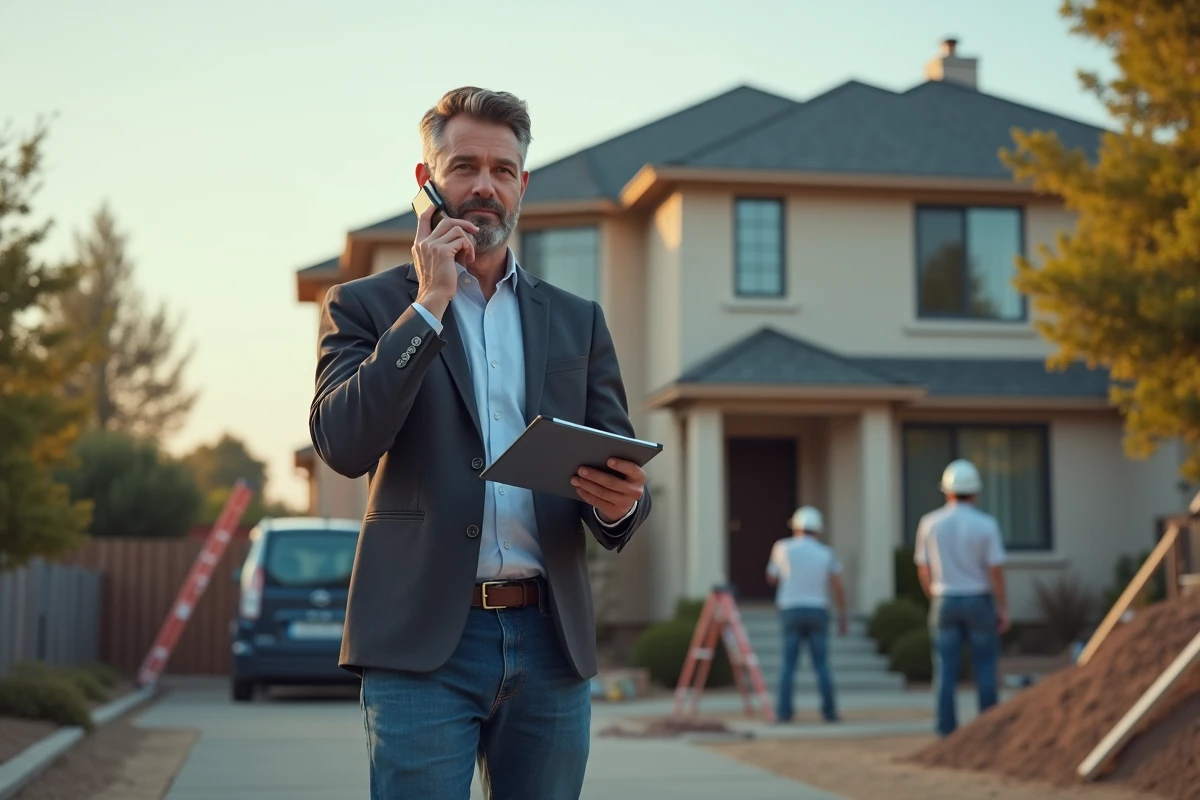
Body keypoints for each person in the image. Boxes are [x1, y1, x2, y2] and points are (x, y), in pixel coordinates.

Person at [309, 86, 653, 799]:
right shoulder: (365, 306)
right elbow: (343, 442)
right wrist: (429, 304)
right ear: (425, 180)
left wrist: (620, 505)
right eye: (464, 166)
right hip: (420, 645)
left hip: (551, 645)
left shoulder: (576, 320)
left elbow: (614, 467)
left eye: (502, 170)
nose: (484, 187)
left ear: (523, 183)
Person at [913, 458, 1009, 737]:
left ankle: (946, 731)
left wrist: (934, 596)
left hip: (945, 599)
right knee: (985, 668)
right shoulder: (986, 524)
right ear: (976, 492)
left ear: (946, 491)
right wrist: (1002, 607)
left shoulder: (930, 523)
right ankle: (988, 730)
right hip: (979, 600)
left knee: (945, 669)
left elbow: (923, 568)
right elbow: (995, 571)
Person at [765, 505, 847, 723]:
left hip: (790, 609)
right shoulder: (826, 552)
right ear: (818, 529)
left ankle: (784, 712)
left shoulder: (783, 548)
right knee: (821, 664)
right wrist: (843, 616)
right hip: (818, 610)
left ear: (796, 527)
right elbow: (837, 586)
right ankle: (829, 712)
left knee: (788, 665)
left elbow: (772, 577)